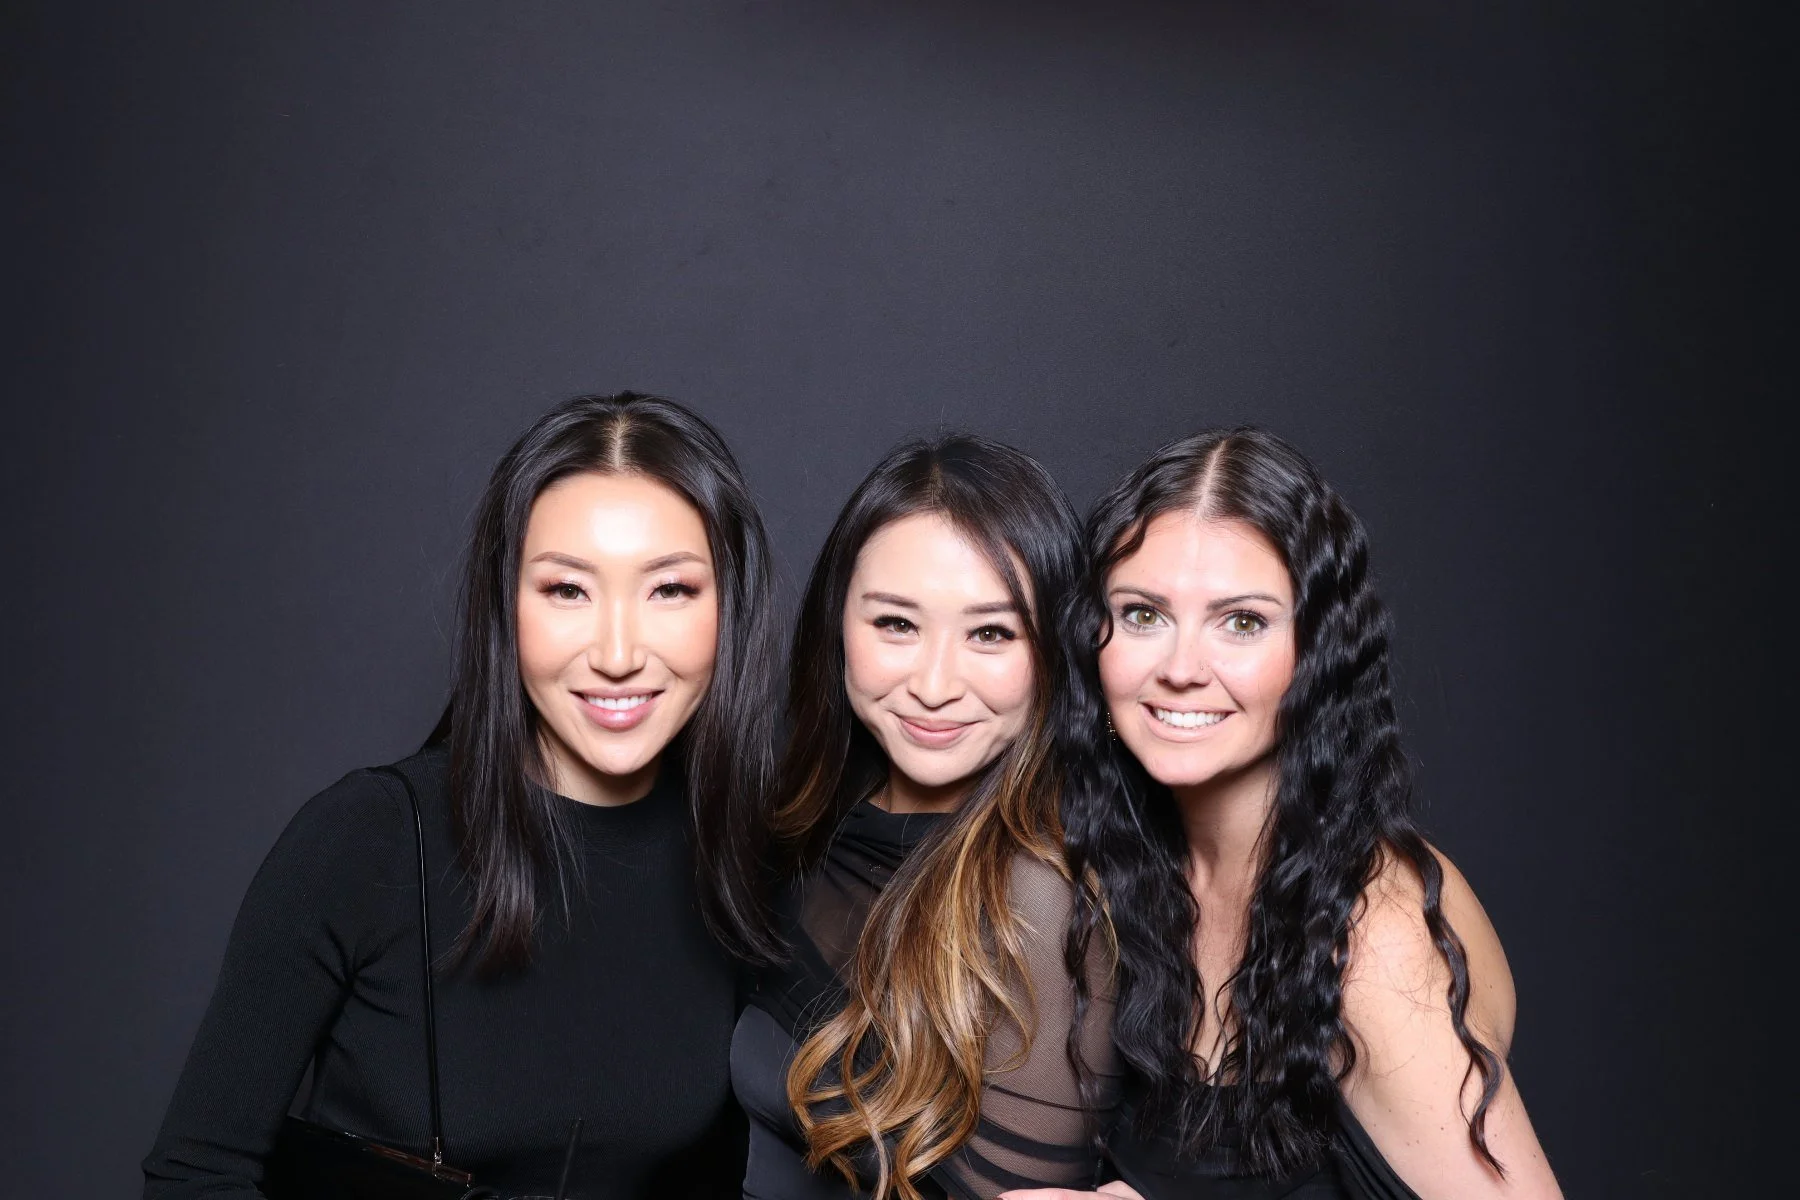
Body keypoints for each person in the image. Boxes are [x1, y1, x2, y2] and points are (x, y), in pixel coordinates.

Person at [143, 392, 782, 1198]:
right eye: (566, 591)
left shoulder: (742, 865)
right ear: (503, 605)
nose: (618, 652)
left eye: (670, 591)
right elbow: (196, 1173)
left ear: (730, 610)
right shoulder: (369, 842)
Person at [1005, 429, 1561, 1200]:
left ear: (1318, 656)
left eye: (1242, 622)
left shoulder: (1373, 935)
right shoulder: (1137, 875)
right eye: (1142, 615)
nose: (1181, 668)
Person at [732, 435, 1120, 1200]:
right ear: (836, 624)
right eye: (896, 625)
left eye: (991, 633)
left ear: (1057, 651)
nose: (935, 684)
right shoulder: (806, 818)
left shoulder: (1041, 897)